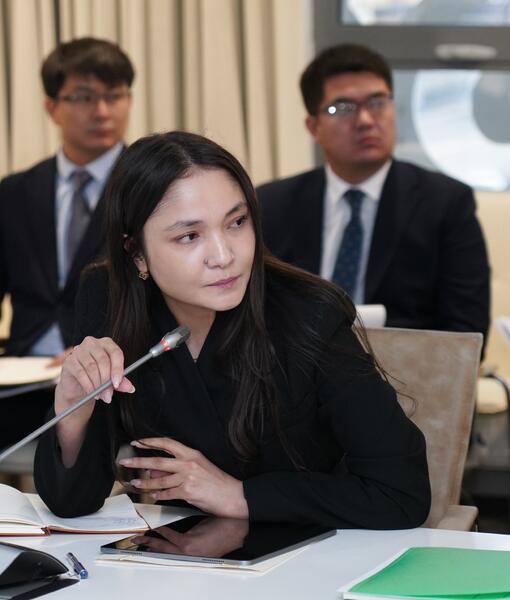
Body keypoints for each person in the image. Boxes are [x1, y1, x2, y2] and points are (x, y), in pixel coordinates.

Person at [34, 131, 430, 529]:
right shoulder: (108, 296)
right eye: (190, 236)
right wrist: (72, 408)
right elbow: (72, 503)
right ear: (136, 252)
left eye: (237, 222)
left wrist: (238, 495)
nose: (224, 256)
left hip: (314, 547)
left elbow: (402, 494)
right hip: (180, 551)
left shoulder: (310, 312)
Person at [257, 44, 490, 341]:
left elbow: (466, 332)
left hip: (404, 368)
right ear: (313, 127)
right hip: (295, 365)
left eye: (378, 102)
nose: (366, 120)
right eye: (343, 107)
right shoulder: (271, 205)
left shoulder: (445, 203)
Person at [0, 37, 134, 447]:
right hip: (25, 379)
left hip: (116, 379)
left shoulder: (148, 187)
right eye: (84, 97)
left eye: (115, 96)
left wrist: (101, 348)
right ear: (51, 107)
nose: (102, 111)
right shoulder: (15, 191)